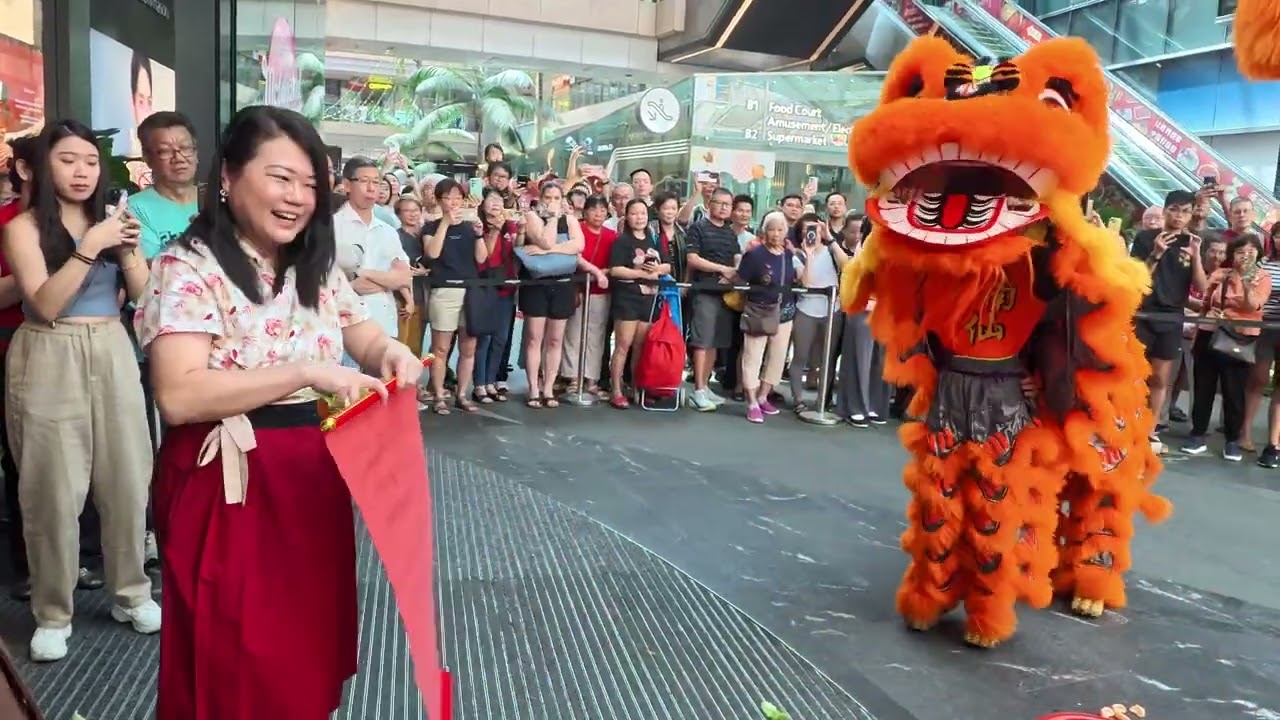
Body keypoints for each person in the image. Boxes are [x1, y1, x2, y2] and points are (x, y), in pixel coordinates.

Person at [136, 105, 423, 718]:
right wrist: (304, 373)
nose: (297, 198)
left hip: (311, 474)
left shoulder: (311, 264)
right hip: (228, 475)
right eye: (280, 178)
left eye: (310, 184)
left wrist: (393, 350)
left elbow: (359, 335)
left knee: (303, 641)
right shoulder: (186, 268)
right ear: (229, 177)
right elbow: (179, 396)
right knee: (232, 646)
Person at [2, 119, 158, 662]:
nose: (82, 171)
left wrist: (130, 250)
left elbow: (142, 297)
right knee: (52, 488)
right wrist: (90, 247)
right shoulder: (23, 227)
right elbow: (44, 305)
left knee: (127, 475)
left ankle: (130, 592)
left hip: (113, 347)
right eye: (68, 160)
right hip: (48, 351)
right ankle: (52, 611)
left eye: (90, 162)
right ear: (42, 167)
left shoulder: (112, 222)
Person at [1131, 190, 1208, 450]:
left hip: (1172, 318)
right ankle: (1127, 423)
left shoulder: (1194, 243)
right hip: (1143, 314)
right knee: (1133, 375)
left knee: (1160, 379)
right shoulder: (1145, 238)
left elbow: (1202, 285)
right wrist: (1156, 252)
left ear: (1191, 215)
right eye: (1174, 209)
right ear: (1164, 211)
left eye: (1185, 211)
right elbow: (1137, 279)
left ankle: (1150, 430)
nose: (1179, 215)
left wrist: (1197, 255)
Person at [1183, 234, 1271, 461]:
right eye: (1240, 252)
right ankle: (1197, 434)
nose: (1245, 256)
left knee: (1234, 392)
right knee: (1203, 387)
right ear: (1232, 255)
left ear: (1258, 255)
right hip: (1210, 334)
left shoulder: (1262, 278)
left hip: (1241, 339)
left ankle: (1232, 440)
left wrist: (1244, 280)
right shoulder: (1220, 274)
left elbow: (1253, 305)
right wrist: (1198, 329)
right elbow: (1205, 303)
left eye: (1251, 252)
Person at [423, 178, 488, 414]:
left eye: (457, 198)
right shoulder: (431, 227)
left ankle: (462, 393)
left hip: (470, 290)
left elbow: (482, 259)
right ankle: (439, 394)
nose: (453, 202)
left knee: (468, 347)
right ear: (439, 201)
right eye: (447, 198)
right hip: (444, 290)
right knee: (440, 348)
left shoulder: (471, 227)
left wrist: (480, 234)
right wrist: (445, 224)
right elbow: (432, 252)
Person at [335, 157, 412, 346]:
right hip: (344, 327)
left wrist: (363, 274)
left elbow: (404, 278)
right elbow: (331, 282)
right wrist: (386, 281)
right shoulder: (332, 227)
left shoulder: (388, 230)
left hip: (383, 323)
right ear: (347, 185)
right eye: (364, 181)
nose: (371, 188)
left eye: (376, 182)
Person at [520, 182, 583, 408]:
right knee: (534, 338)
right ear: (541, 198)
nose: (552, 201)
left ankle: (549, 387)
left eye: (557, 197)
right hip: (536, 284)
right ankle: (534, 388)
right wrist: (553, 219)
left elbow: (578, 246)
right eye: (549, 197)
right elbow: (544, 239)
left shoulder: (572, 220)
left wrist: (550, 250)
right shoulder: (532, 217)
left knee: (555, 339)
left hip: (563, 284)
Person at [735, 212, 798, 423]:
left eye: (781, 229)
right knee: (753, 356)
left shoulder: (788, 254)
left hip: (785, 312)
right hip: (759, 311)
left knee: (778, 357)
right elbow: (740, 279)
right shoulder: (755, 254)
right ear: (764, 231)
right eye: (772, 229)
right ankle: (751, 401)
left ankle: (763, 396)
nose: (776, 234)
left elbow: (799, 277)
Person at [606, 199, 669, 408]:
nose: (639, 217)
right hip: (627, 297)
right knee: (623, 345)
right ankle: (616, 388)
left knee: (640, 347)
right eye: (634, 213)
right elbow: (615, 270)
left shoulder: (654, 239)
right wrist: (640, 273)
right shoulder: (622, 241)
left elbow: (667, 265)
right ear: (627, 216)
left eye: (642, 213)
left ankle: (637, 387)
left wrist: (656, 271)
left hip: (649, 298)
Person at [684, 187, 740, 411]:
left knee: (716, 343)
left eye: (728, 204)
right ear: (709, 204)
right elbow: (693, 258)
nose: (724, 207)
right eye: (720, 203)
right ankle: (697, 390)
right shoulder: (698, 228)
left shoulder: (730, 232)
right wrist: (722, 270)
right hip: (704, 291)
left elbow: (737, 258)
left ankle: (706, 386)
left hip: (725, 294)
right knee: (702, 342)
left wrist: (734, 272)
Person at [473, 188, 521, 403]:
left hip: (507, 288)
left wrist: (521, 230)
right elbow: (487, 256)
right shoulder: (478, 226)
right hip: (485, 288)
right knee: (485, 338)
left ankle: (492, 382)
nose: (495, 204)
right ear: (483, 205)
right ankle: (479, 384)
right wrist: (494, 231)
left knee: (501, 339)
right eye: (490, 200)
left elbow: (519, 252)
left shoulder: (510, 226)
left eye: (499, 200)